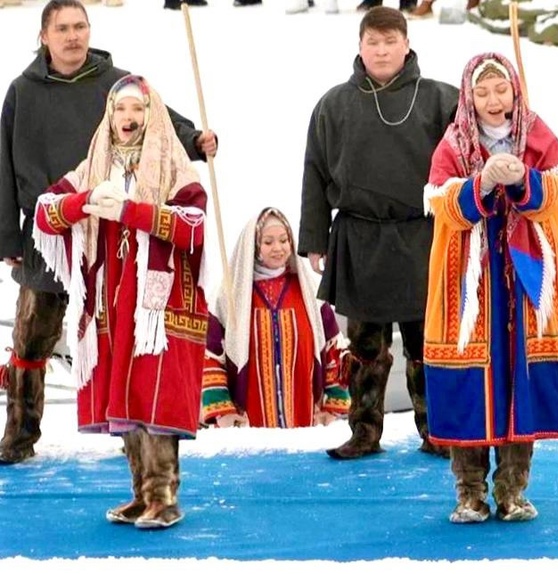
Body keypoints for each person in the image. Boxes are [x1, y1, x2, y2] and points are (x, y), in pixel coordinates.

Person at [0, 0, 217, 465]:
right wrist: (7, 239)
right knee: (31, 340)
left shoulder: (113, 81)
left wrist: (195, 138)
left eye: (80, 26)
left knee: (120, 334)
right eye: (63, 28)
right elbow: (2, 164)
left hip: (111, 239)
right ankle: (19, 436)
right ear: (44, 36)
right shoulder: (23, 91)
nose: (73, 36)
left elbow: (158, 120)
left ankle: (129, 432)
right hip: (50, 234)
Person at [32, 74, 208, 529]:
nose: (127, 118)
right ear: (109, 116)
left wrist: (131, 211)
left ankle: (164, 496)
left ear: (152, 117)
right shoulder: (93, 167)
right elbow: (45, 212)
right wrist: (86, 201)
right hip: (111, 304)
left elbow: (192, 226)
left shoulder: (174, 169)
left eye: (137, 110)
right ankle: (140, 494)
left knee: (156, 396)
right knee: (124, 395)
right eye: (120, 109)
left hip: (158, 306)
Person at [424, 53, 558, 524]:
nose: (494, 100)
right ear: (468, 98)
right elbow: (441, 204)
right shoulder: (452, 143)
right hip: (471, 284)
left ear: (515, 91)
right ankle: (469, 491)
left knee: (520, 379)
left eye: (501, 90)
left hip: (526, 278)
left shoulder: (537, 135)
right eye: (483, 92)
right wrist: (480, 184)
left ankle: (513, 489)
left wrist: (523, 180)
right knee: (471, 383)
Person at [298, 6, 458, 460]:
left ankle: (437, 430)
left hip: (422, 237)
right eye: (373, 42)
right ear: (360, 46)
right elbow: (314, 169)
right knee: (365, 347)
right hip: (359, 236)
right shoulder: (334, 104)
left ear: (407, 44)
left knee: (426, 344)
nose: (382, 50)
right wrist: (314, 237)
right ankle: (364, 431)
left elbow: (470, 156)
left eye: (391, 42)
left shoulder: (440, 99)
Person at [201, 208, 351, 428]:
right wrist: (222, 410)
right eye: (268, 242)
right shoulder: (229, 298)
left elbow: (334, 351)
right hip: (249, 435)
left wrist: (333, 407)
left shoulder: (311, 294)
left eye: (284, 240)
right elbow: (210, 357)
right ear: (254, 247)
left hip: (304, 428)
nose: (278, 248)